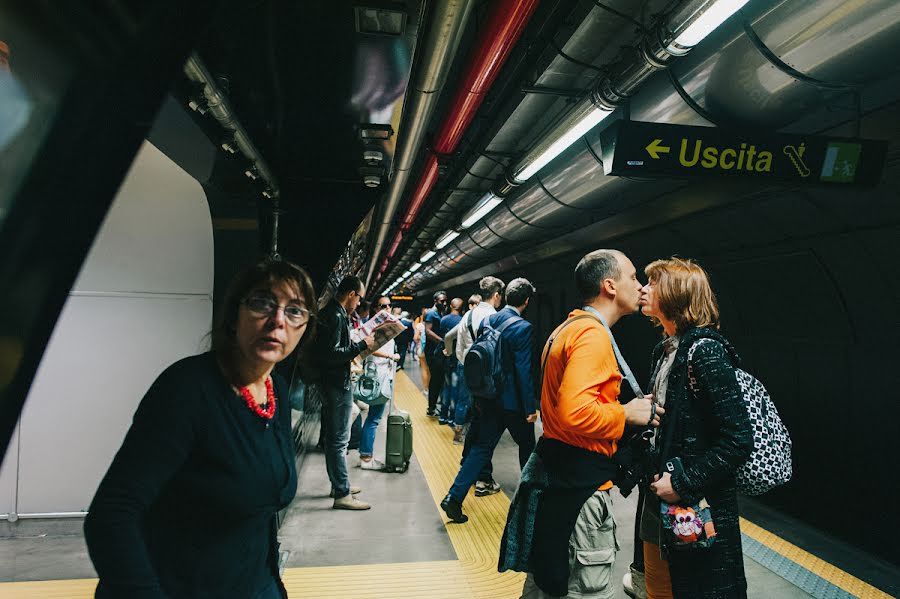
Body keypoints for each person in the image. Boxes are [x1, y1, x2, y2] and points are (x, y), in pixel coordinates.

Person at [84, 260, 317, 598]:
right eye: (262, 303)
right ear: (234, 315)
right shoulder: (187, 390)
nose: (278, 320)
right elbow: (113, 514)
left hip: (253, 584)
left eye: (295, 311)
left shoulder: (275, 389)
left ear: (305, 328)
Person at [499, 249, 661, 599]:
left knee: (548, 583)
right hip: (581, 490)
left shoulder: (567, 328)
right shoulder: (592, 336)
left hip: (559, 475)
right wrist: (627, 414)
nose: (640, 285)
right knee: (581, 589)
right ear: (610, 286)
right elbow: (575, 411)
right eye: (633, 277)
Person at [637, 258, 754, 599]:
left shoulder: (706, 353)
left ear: (675, 293)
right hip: (661, 496)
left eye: (653, 283)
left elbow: (738, 438)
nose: (644, 289)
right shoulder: (666, 350)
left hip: (698, 504)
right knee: (660, 585)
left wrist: (683, 483)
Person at [441, 278, 538, 524]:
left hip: (489, 397)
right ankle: (528, 506)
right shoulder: (523, 328)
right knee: (527, 449)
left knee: (481, 448)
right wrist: (530, 408)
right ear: (526, 301)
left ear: (505, 297)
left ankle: (454, 497)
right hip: (513, 404)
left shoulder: (488, 320)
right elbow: (523, 370)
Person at [314, 275, 377, 510]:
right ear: (351, 294)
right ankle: (341, 493)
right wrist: (362, 345)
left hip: (333, 382)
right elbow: (333, 353)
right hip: (336, 384)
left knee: (336, 439)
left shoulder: (334, 313)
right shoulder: (335, 315)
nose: (359, 303)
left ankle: (339, 484)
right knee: (339, 441)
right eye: (359, 298)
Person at [357, 296, 401, 471]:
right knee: (374, 418)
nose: (388, 308)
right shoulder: (373, 327)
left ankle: (365, 454)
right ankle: (366, 457)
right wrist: (391, 356)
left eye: (390, 305)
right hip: (378, 375)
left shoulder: (386, 324)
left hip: (383, 374)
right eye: (383, 306)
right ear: (376, 308)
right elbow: (369, 349)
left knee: (374, 416)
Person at [438, 298, 464, 425]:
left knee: (446, 387)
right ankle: (452, 417)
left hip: (446, 357)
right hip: (457, 358)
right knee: (455, 389)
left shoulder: (443, 320)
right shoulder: (462, 321)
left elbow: (443, 337)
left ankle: (442, 415)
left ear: (451, 306)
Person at [423, 291, 448, 417]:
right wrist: (442, 341)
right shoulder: (431, 313)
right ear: (435, 301)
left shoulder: (439, 313)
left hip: (437, 350)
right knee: (435, 379)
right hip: (432, 351)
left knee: (438, 379)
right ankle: (431, 407)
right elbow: (427, 331)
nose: (444, 303)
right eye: (441, 301)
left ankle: (434, 405)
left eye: (445, 301)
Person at [414, 307, 430, 393]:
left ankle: (425, 389)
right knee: (429, 369)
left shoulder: (420, 325)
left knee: (424, 369)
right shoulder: (432, 324)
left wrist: (420, 338)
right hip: (430, 349)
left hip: (421, 349)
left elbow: (415, 338)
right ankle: (431, 387)